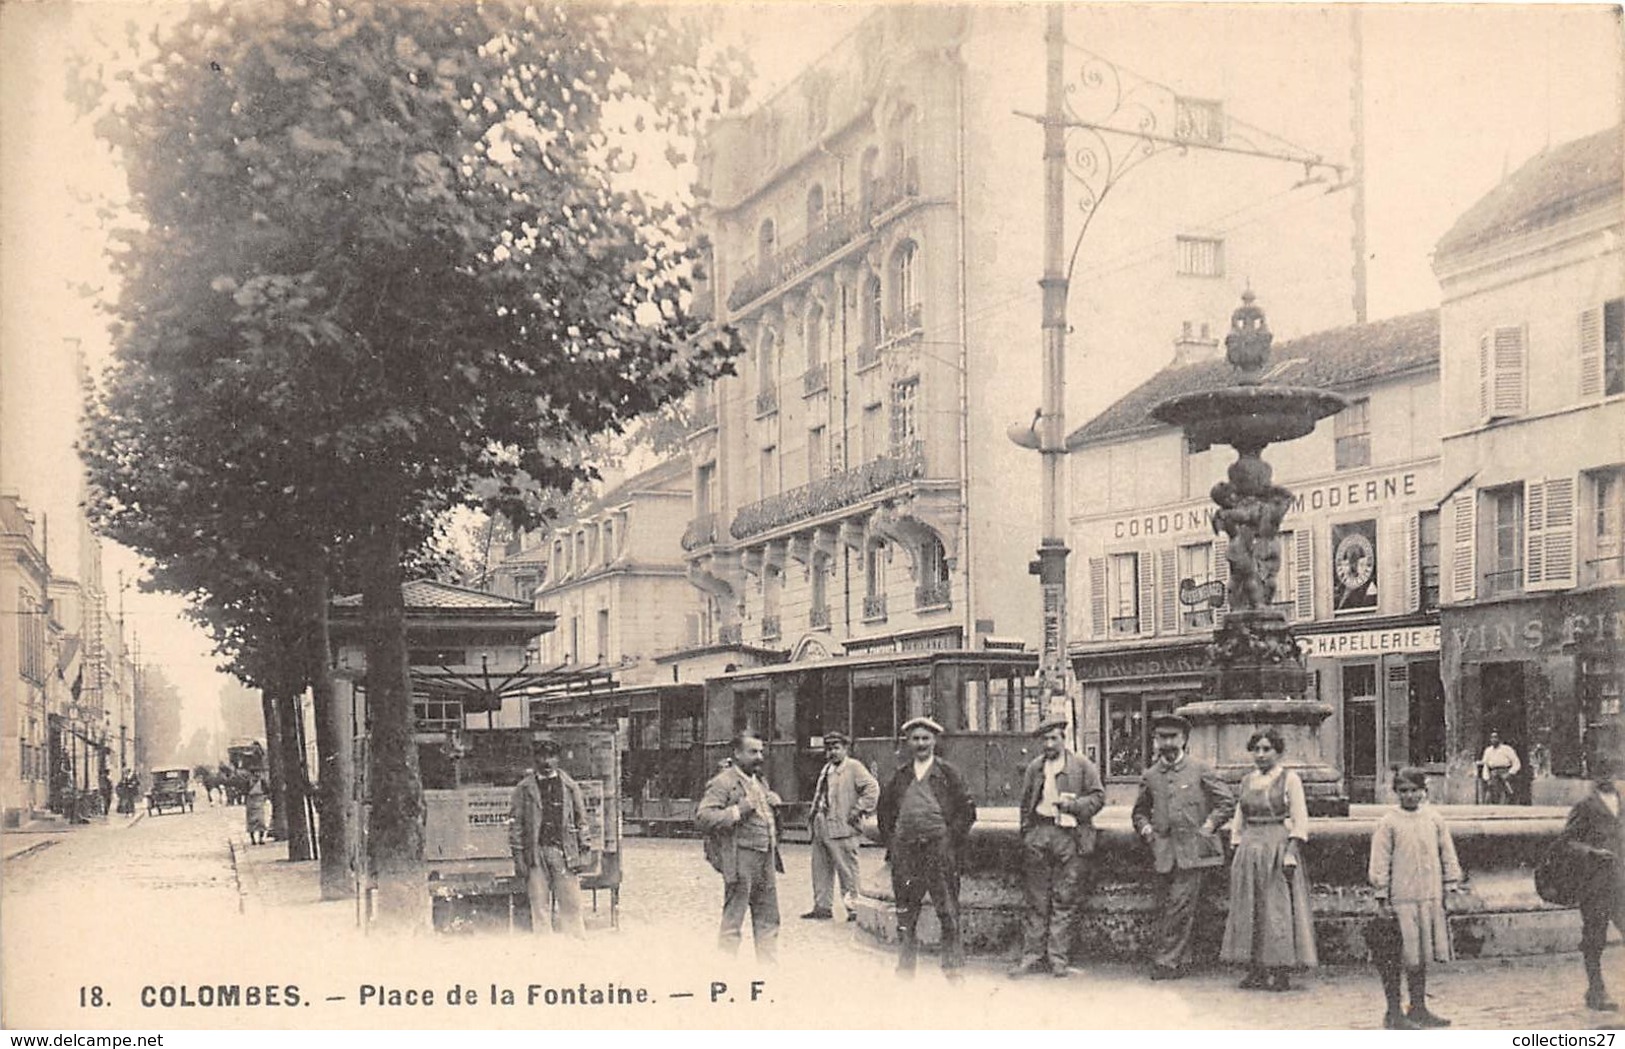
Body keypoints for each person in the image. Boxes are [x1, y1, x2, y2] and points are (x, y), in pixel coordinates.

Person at [1131, 712, 1236, 980]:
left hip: (1194, 851)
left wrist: (1209, 826)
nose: (1167, 743)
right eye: (1161, 738)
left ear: (1184, 739)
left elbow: (1226, 801)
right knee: (1168, 905)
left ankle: (1166, 962)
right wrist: (1146, 829)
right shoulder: (1151, 775)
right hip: (1162, 851)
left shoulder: (1200, 768)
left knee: (1180, 905)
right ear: (1155, 741)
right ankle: (1182, 957)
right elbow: (1139, 811)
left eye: (1172, 737)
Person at [877, 716, 976, 980]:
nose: (921, 743)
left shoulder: (948, 773)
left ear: (934, 741)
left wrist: (948, 840)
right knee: (906, 911)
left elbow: (967, 811)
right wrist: (894, 842)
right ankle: (906, 968)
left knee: (947, 909)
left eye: (925, 738)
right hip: (906, 853)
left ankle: (953, 967)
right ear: (908, 743)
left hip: (939, 852)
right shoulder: (900, 776)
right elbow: (884, 811)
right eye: (915, 739)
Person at [1220, 728, 1318, 992]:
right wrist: (1237, 847)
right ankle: (1256, 969)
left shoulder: (1289, 779)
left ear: (1278, 752)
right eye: (1257, 749)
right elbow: (1239, 819)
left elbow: (1300, 819)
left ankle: (1281, 970)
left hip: (1276, 847)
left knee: (1277, 909)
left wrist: (1290, 851)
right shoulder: (1246, 781)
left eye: (1267, 749)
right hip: (1250, 849)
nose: (1261, 755)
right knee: (1249, 907)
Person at [1009, 717, 1105, 979]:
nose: (1049, 744)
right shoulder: (1035, 768)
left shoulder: (1082, 766)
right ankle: (1031, 957)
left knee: (1065, 898)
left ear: (1064, 739)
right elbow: (1025, 802)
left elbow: (1098, 797)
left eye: (1054, 738)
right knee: (1036, 899)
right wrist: (1027, 833)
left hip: (1069, 835)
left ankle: (1058, 959)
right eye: (1045, 739)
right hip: (1039, 833)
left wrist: (1073, 807)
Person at [1368, 767, 1462, 1029]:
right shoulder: (1389, 822)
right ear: (1396, 793)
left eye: (1414, 790)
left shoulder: (1434, 819)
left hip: (1428, 897)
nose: (1409, 796)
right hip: (1401, 900)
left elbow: (1447, 851)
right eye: (1403, 791)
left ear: (1424, 791)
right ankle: (1394, 1012)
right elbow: (1380, 859)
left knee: (1419, 955)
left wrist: (1450, 881)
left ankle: (1418, 1007)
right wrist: (1381, 894)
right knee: (1398, 954)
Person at [695, 730, 783, 962]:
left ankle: (768, 969)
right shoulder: (723, 782)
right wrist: (739, 810)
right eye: (753, 752)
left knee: (768, 916)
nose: (759, 757)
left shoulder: (759, 780)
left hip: (766, 855)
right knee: (734, 917)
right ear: (736, 753)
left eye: (761, 751)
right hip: (740, 856)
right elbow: (703, 817)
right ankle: (726, 969)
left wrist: (773, 802)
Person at [508, 737, 590, 939]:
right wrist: (518, 858)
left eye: (551, 756)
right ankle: (544, 948)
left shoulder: (570, 787)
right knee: (539, 902)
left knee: (571, 901)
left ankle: (577, 944)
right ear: (535, 759)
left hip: (564, 852)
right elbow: (516, 824)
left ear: (558, 759)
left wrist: (584, 851)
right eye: (542, 756)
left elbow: (582, 820)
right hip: (535, 853)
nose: (546, 762)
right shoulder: (524, 789)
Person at [1559, 765, 1624, 1011]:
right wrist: (1593, 852)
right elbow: (1567, 841)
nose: (1607, 777)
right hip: (1595, 883)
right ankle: (1596, 990)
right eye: (1601, 773)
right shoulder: (1585, 805)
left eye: (1612, 772)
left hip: (1622, 882)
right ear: (1593, 777)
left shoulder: (1622, 802)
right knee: (1595, 938)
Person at [802, 731, 879, 923]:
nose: (832, 752)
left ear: (845, 749)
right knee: (820, 868)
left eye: (837, 748)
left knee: (847, 870)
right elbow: (820, 795)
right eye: (829, 749)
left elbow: (872, 788)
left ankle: (853, 909)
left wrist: (858, 810)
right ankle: (822, 907)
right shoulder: (827, 768)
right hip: (822, 823)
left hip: (843, 826)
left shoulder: (854, 767)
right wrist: (812, 818)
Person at [1479, 731, 1521, 804]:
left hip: (1505, 773)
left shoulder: (1507, 749)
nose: (1494, 739)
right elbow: (1485, 765)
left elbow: (1516, 763)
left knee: (1509, 793)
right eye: (1492, 738)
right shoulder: (1488, 751)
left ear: (1499, 739)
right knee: (1491, 794)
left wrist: (1510, 773)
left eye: (1496, 737)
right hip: (1493, 774)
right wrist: (1487, 778)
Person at [244, 774, 268, 845]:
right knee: (251, 822)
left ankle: (261, 838)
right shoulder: (248, 782)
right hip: (251, 802)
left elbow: (267, 791)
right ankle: (253, 839)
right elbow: (244, 791)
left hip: (259, 801)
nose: (255, 776)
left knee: (261, 821)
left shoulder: (262, 782)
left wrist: (265, 798)